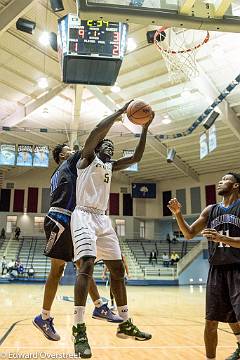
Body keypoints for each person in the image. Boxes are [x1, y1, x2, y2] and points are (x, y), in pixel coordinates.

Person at [71, 102, 153, 357]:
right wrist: (119, 114)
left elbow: (137, 158)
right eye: (106, 144)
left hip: (103, 219)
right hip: (83, 214)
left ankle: (125, 321)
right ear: (97, 147)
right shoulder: (86, 159)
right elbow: (97, 130)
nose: (110, 146)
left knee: (118, 271)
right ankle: (79, 329)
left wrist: (145, 129)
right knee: (86, 265)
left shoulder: (110, 166)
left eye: (112, 146)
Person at [33, 143, 122, 342]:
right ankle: (44, 317)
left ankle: (99, 307)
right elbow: (91, 144)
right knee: (57, 270)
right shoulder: (69, 163)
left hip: (74, 219)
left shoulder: (67, 168)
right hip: (61, 218)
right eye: (69, 150)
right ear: (62, 156)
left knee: (84, 265)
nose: (73, 151)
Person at [167, 172, 240, 360]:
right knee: (210, 321)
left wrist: (222, 238)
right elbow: (189, 234)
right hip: (216, 270)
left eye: (225, 180)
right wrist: (177, 214)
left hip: (238, 269)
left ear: (236, 185)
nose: (220, 182)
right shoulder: (210, 210)